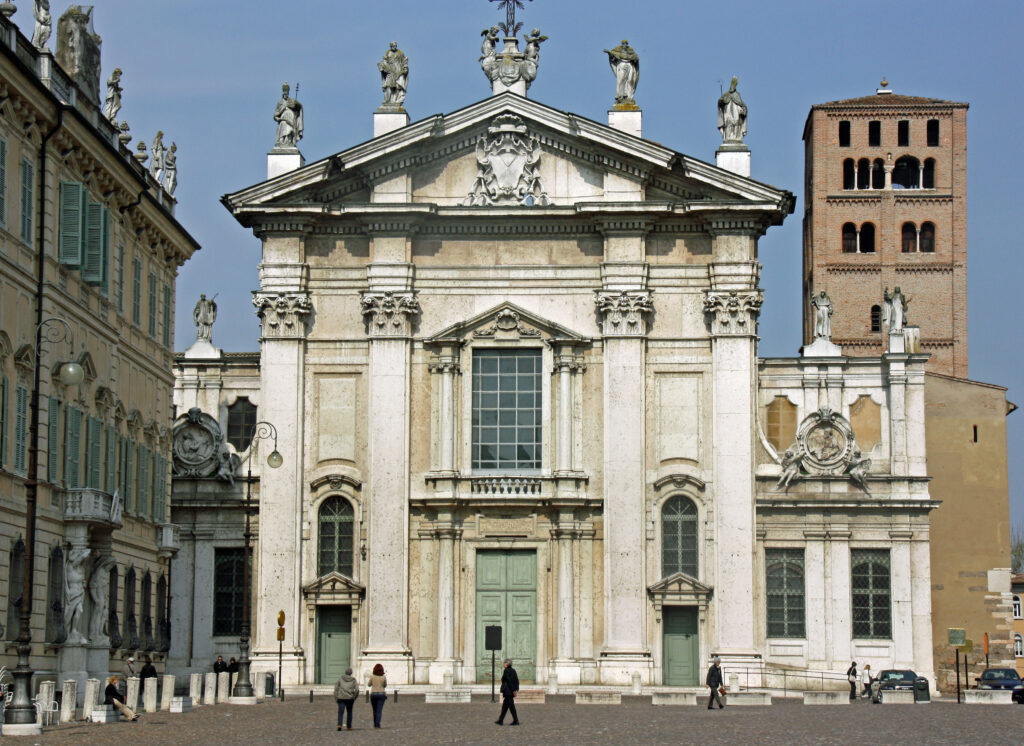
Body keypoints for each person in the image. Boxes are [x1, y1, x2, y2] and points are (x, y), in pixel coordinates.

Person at [495, 658, 520, 726]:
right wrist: (516, 689)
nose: (504, 664)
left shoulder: (506, 671)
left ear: (506, 664)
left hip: (508, 691)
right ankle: (500, 720)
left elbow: (508, 681)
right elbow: (517, 681)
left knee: (511, 707)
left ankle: (516, 720)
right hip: (510, 691)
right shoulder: (513, 670)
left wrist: (513, 690)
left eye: (504, 663)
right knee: (505, 707)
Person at [334, 667, 359, 731]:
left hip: (341, 697)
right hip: (350, 698)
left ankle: (339, 724)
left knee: (340, 712)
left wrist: (336, 697)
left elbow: (336, 688)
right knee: (349, 712)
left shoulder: (340, 679)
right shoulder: (353, 680)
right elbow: (357, 690)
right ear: (351, 673)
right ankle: (349, 726)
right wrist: (354, 697)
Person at [368, 663, 387, 729]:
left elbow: (369, 684)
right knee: (379, 710)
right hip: (381, 694)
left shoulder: (372, 676)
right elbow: (385, 685)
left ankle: (375, 723)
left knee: (374, 710)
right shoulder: (383, 677)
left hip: (374, 694)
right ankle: (378, 724)